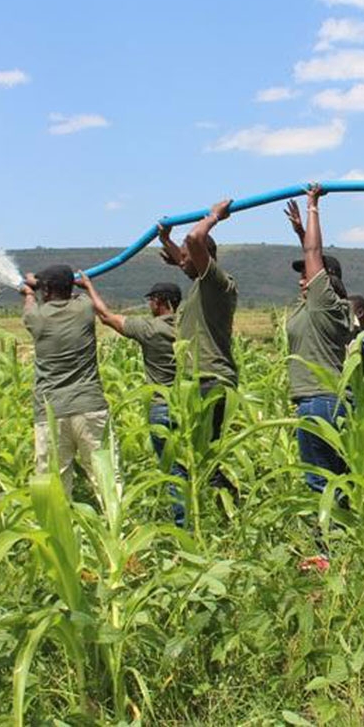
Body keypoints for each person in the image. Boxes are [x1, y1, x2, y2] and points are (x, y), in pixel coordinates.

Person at [76, 274, 189, 524]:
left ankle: (184, 526)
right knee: (190, 464)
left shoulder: (151, 329)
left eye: (151, 300)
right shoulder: (188, 328)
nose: (149, 305)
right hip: (189, 408)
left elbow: (106, 317)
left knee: (173, 470)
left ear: (160, 302)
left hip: (162, 408)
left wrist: (88, 288)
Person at [285, 185, 353, 570]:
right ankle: (341, 545)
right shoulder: (325, 305)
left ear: (323, 280)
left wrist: (313, 207)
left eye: (307, 276)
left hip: (318, 401)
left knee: (319, 482)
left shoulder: (324, 302)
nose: (301, 280)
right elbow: (312, 256)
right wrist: (300, 233)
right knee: (336, 478)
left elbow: (315, 257)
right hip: (326, 401)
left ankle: (326, 553)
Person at [158, 199, 240, 507]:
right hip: (196, 382)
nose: (181, 261)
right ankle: (219, 510)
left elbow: (194, 240)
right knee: (197, 455)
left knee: (204, 458)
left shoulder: (218, 284)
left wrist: (214, 217)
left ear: (204, 256)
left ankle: (231, 508)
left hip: (211, 379)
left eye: (186, 257)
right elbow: (185, 251)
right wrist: (165, 238)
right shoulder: (198, 285)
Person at [19, 264, 115, 504]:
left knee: (54, 483)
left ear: (47, 290)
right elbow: (91, 301)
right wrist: (86, 284)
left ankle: (59, 537)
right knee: (106, 478)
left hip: (51, 414)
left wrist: (31, 291)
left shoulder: (36, 317)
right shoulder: (84, 309)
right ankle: (118, 535)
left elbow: (30, 304)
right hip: (90, 407)